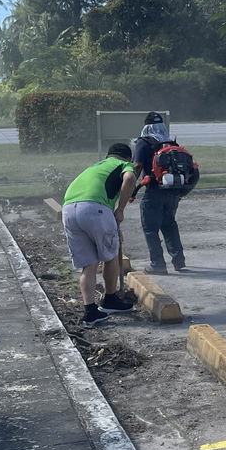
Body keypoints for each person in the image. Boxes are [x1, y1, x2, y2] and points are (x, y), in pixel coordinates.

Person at [60, 142, 140, 327]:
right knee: (110, 255)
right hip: (95, 209)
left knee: (88, 265)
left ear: (107, 156)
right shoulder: (124, 165)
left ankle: (90, 312)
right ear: (128, 158)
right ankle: (110, 300)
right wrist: (120, 209)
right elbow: (129, 179)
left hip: (69, 210)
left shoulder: (96, 166)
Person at [139, 137, 199, 273]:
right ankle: (179, 261)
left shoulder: (143, 144)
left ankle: (157, 264)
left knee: (150, 229)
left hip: (153, 193)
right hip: (173, 194)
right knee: (169, 225)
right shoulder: (174, 146)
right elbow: (195, 173)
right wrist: (181, 194)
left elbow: (136, 166)